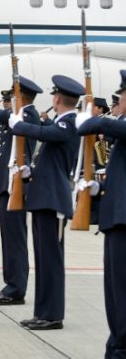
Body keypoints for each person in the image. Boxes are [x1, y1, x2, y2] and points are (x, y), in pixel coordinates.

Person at [9, 75, 83, 330]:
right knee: (43, 259)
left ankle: (52, 315)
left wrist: (18, 125)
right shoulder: (59, 123)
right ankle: (42, 312)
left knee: (51, 261)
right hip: (44, 198)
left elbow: (43, 133)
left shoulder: (69, 123)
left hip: (53, 200)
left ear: (58, 98)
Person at [76, 69, 126, 356]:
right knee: (114, 295)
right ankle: (116, 345)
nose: (118, 101)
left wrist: (91, 117)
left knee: (121, 294)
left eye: (121, 96)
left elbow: (88, 128)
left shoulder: (116, 125)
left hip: (123, 220)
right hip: (115, 218)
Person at [0, 78, 42, 306]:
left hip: (16, 185)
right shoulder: (18, 115)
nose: (9, 102)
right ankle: (11, 284)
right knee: (9, 238)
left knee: (15, 238)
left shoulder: (27, 115)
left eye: (13, 97)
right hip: (7, 183)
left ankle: (16, 288)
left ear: (22, 97)